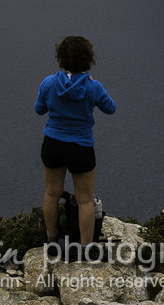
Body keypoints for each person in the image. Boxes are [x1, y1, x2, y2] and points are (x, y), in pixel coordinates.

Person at [35, 35, 116, 250]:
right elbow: (111, 108)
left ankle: (52, 240)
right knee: (85, 199)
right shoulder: (93, 87)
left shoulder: (49, 82)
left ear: (61, 58)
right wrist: (93, 88)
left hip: (53, 144)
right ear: (88, 58)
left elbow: (39, 109)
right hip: (81, 147)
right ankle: (86, 248)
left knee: (52, 193)